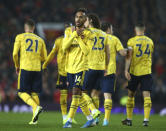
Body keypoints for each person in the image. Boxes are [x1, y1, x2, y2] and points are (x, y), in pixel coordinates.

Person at [62, 8, 96, 128]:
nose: (78, 19)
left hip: (81, 68)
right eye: (76, 17)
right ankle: (90, 119)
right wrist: (74, 35)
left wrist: (79, 39)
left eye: (81, 17)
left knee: (76, 92)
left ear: (85, 19)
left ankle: (68, 121)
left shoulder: (89, 34)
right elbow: (64, 47)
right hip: (70, 68)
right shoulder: (69, 31)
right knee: (79, 95)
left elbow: (87, 51)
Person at [13, 19, 47, 124]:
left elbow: (14, 54)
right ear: (34, 28)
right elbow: (44, 57)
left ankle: (35, 107)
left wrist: (17, 66)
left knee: (21, 92)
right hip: (37, 69)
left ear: (25, 28)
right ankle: (34, 119)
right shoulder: (40, 39)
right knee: (34, 93)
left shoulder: (20, 37)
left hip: (25, 67)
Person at [42, 23, 77, 125]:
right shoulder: (58, 41)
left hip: (74, 70)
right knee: (65, 94)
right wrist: (45, 64)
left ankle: (70, 116)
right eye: (70, 28)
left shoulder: (75, 39)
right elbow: (52, 53)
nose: (71, 30)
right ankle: (65, 117)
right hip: (64, 72)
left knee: (77, 94)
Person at [122, 22, 154, 126]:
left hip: (134, 72)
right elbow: (150, 55)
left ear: (135, 30)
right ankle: (145, 120)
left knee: (131, 95)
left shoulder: (132, 41)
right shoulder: (150, 41)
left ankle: (129, 119)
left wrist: (126, 70)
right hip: (146, 72)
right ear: (144, 29)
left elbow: (129, 56)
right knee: (147, 96)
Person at [83, 13, 110, 125]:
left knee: (83, 92)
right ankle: (97, 119)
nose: (84, 22)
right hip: (101, 68)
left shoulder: (87, 33)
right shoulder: (104, 34)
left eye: (86, 20)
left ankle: (94, 111)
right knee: (95, 94)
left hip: (91, 67)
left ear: (90, 21)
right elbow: (107, 53)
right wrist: (106, 67)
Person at [101, 22, 127, 126]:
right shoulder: (114, 39)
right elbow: (123, 53)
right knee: (107, 96)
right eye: (112, 28)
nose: (113, 30)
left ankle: (93, 116)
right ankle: (106, 120)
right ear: (108, 29)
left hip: (96, 70)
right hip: (109, 71)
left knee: (93, 94)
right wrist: (129, 49)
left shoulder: (97, 38)